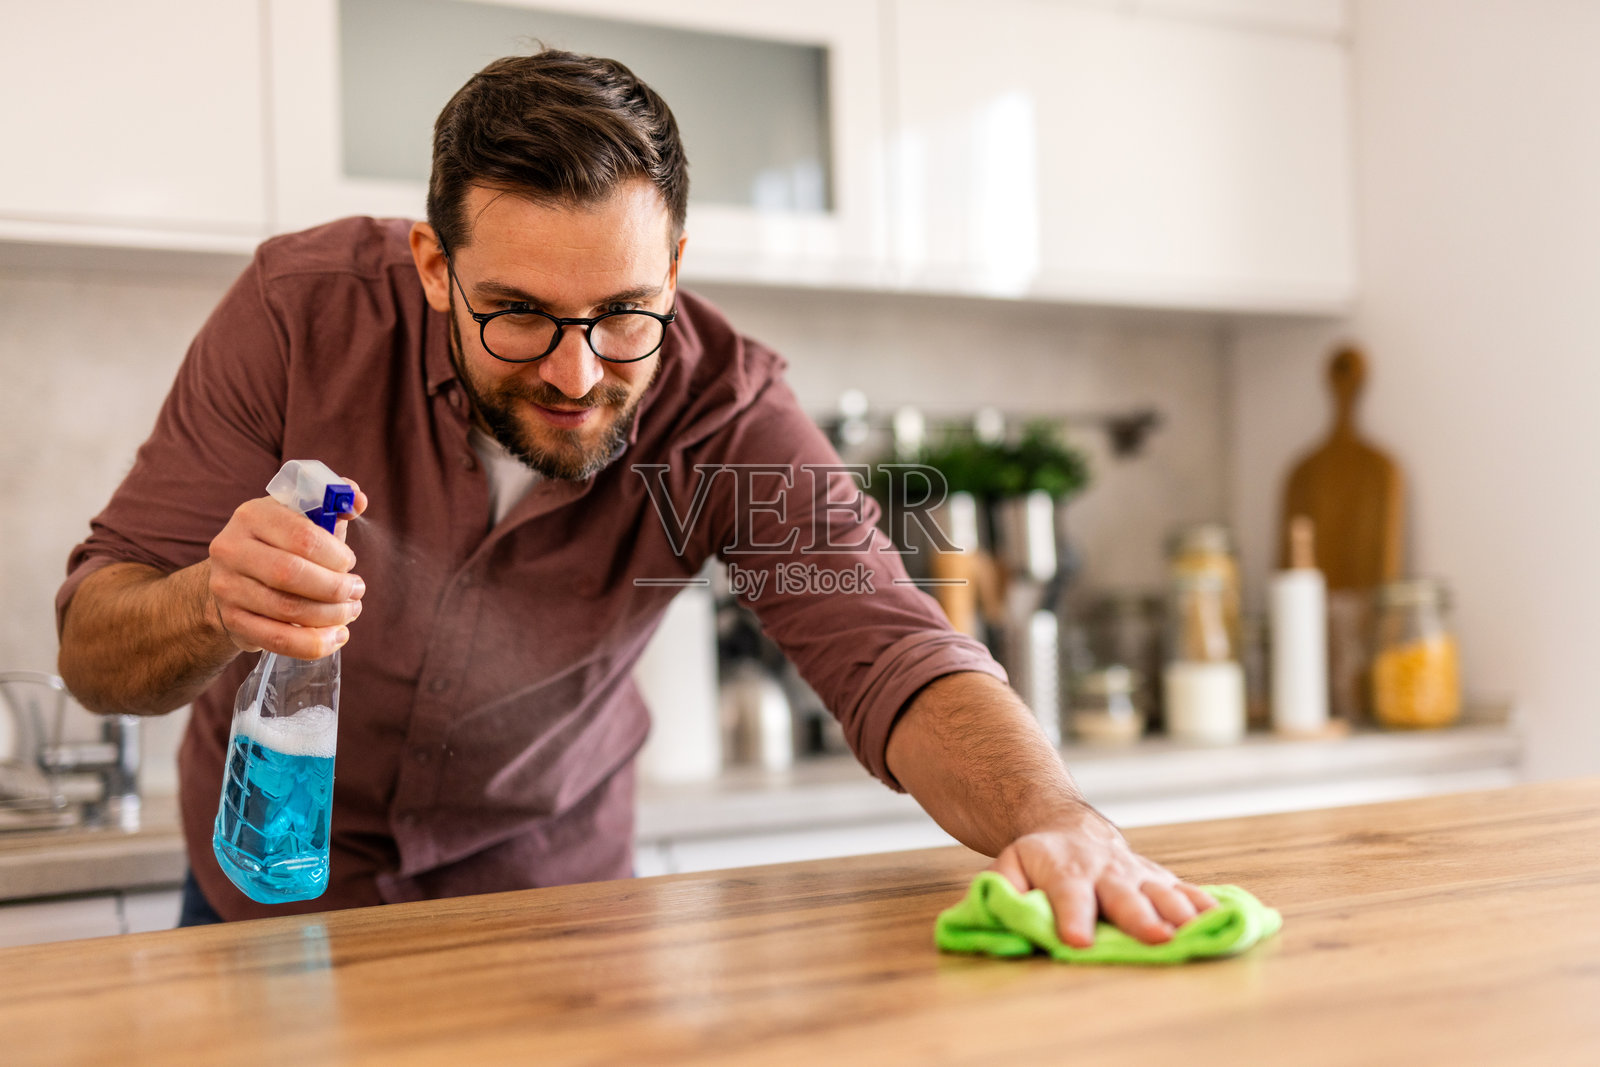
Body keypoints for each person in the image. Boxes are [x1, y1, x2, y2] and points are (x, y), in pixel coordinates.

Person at [55, 50, 1214, 940]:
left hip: (552, 918)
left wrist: (1056, 818)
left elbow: (893, 651)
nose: (576, 374)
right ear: (433, 267)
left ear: (674, 268)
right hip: (265, 903)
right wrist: (210, 600)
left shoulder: (727, 412)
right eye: (517, 312)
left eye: (623, 314)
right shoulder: (297, 315)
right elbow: (95, 651)